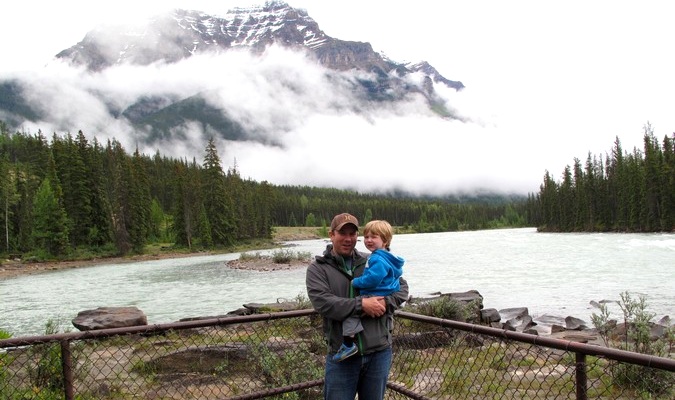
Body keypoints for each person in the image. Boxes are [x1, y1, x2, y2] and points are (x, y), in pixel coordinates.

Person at [306, 213, 409, 400]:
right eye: (342, 233)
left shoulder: (372, 260)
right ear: (331, 234)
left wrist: (384, 303)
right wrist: (362, 305)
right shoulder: (318, 268)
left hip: (379, 353)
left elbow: (402, 288)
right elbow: (323, 303)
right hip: (342, 356)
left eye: (352, 233)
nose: (348, 238)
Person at [333, 219, 404, 362]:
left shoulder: (376, 258)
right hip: (385, 292)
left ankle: (348, 344)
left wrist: (356, 282)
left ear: (385, 240)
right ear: (331, 234)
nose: (369, 240)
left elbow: (373, 278)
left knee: (351, 315)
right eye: (366, 237)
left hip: (375, 294)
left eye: (374, 237)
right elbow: (396, 276)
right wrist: (391, 289)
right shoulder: (389, 257)